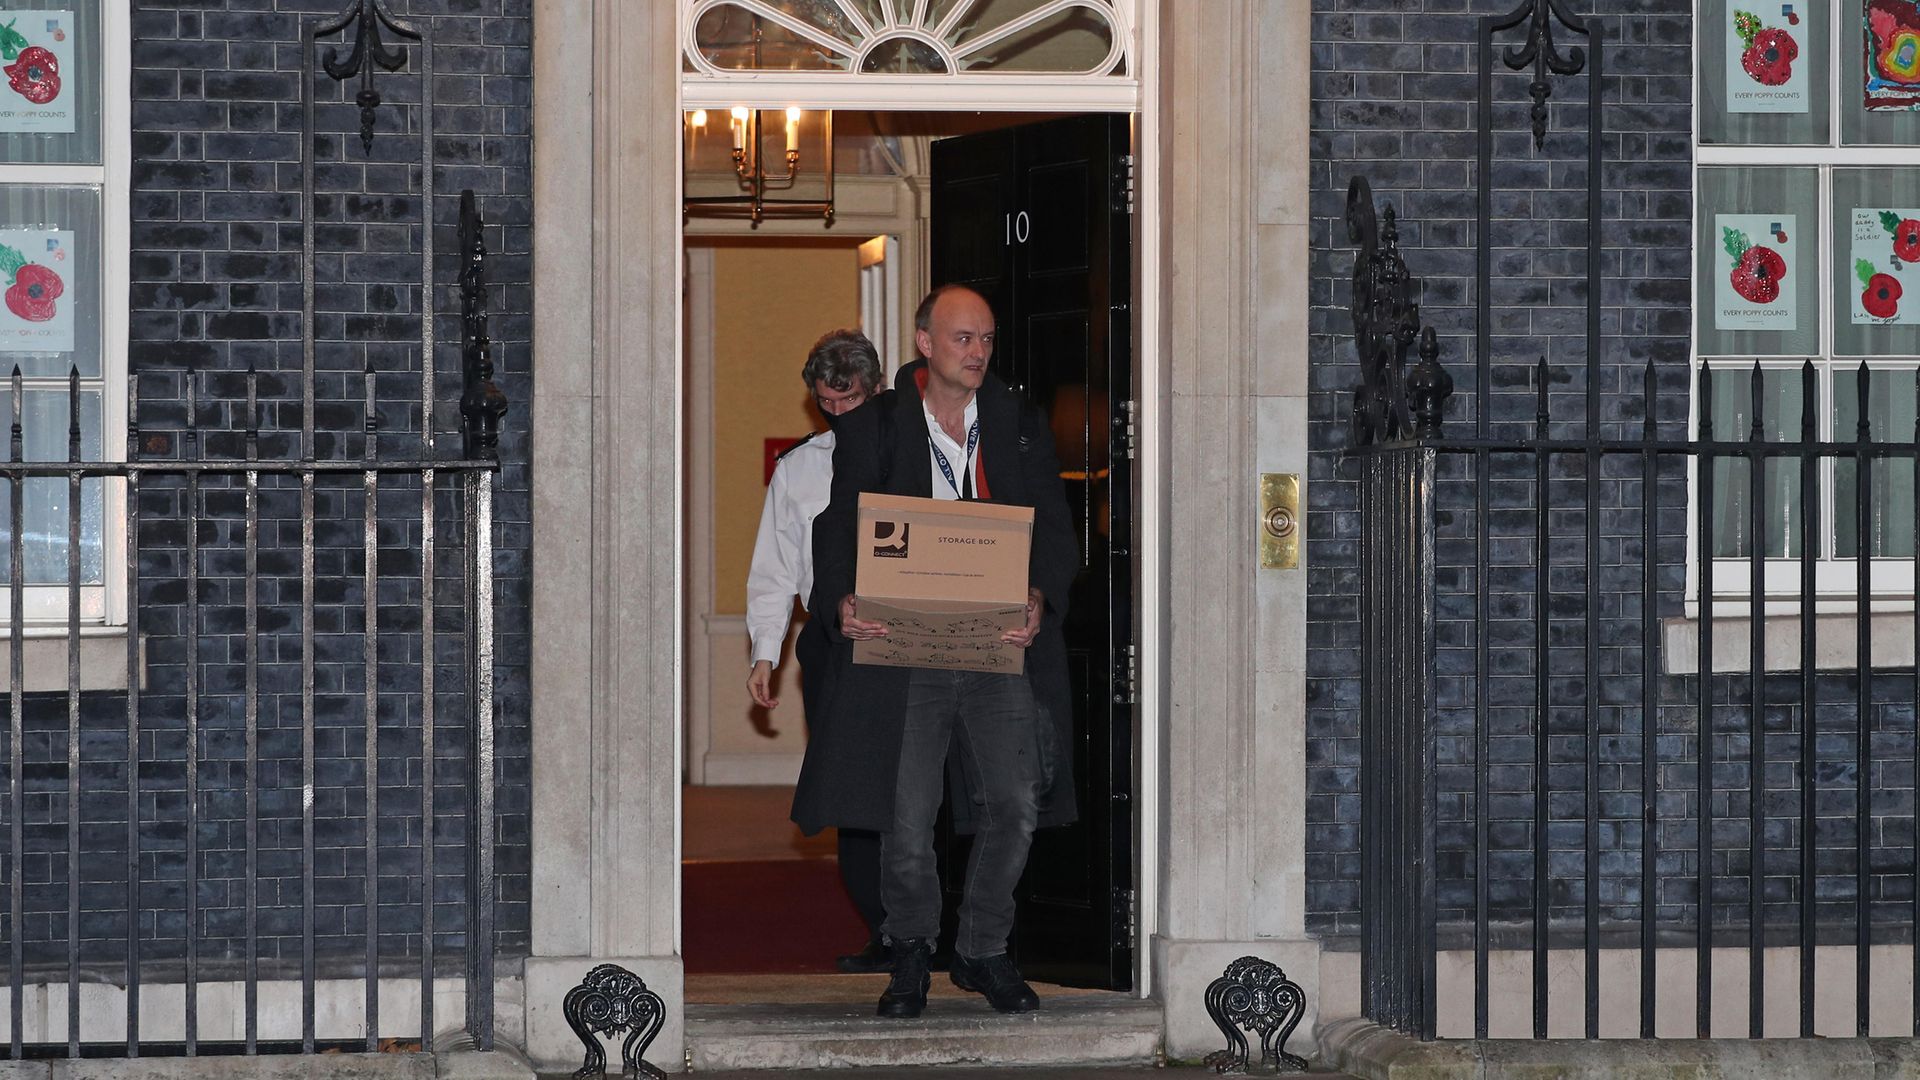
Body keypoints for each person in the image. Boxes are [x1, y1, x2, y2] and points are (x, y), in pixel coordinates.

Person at [797, 284, 1079, 1019]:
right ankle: (914, 951)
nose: (978, 352)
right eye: (963, 338)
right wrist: (839, 601)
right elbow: (837, 526)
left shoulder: (1016, 423)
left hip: (998, 645)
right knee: (906, 813)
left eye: (985, 339)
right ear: (925, 342)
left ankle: (983, 950)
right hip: (905, 648)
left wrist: (1042, 595)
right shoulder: (879, 426)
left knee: (1016, 805)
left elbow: (1054, 524)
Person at [744, 327, 890, 974]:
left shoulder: (918, 457)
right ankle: (885, 931)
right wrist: (764, 653)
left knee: (916, 785)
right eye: (827, 404)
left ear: (876, 389)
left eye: (850, 401)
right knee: (850, 791)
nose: (838, 413)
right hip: (830, 645)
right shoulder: (799, 468)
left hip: (907, 636)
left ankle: (931, 927)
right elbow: (774, 569)